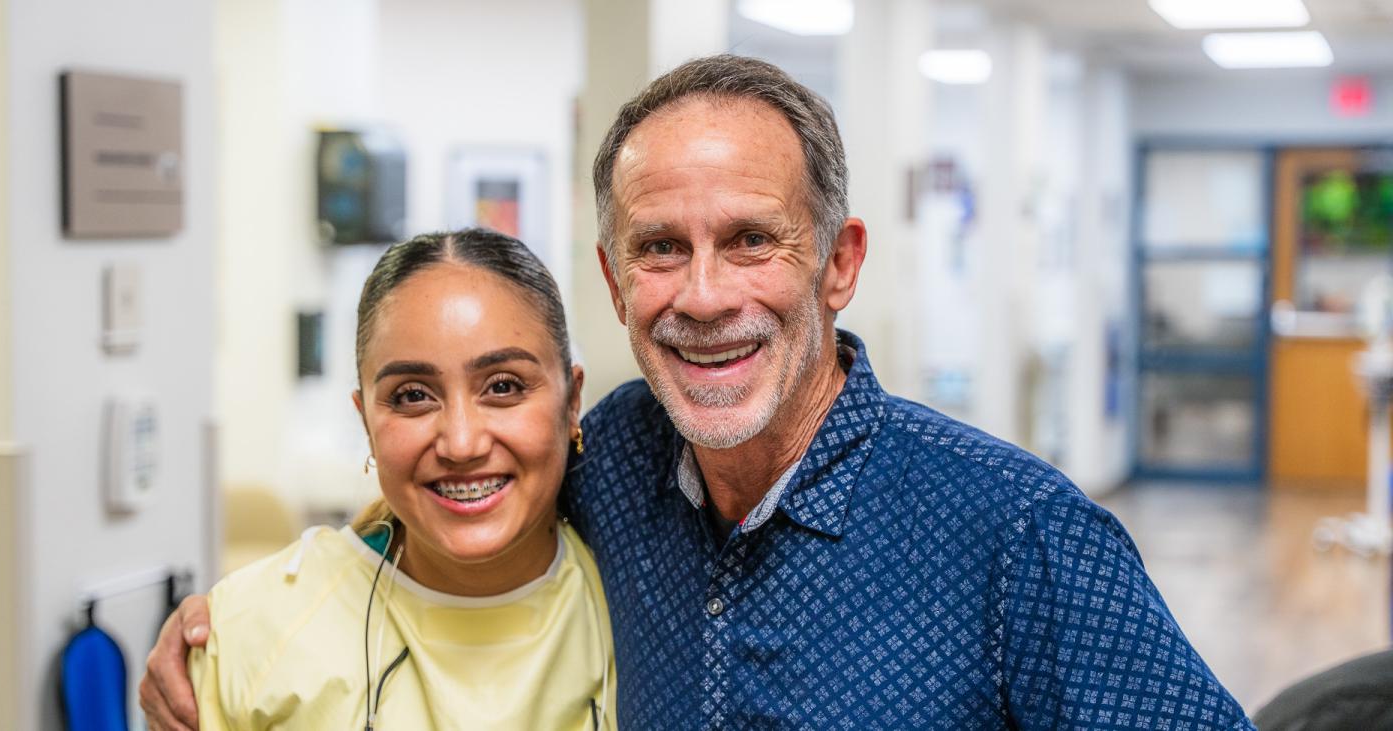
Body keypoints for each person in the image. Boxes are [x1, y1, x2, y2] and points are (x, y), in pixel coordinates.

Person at [146, 55, 1253, 729]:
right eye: (662, 246)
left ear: (840, 261)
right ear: (614, 278)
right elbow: (466, 475)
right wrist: (237, 626)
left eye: (752, 241)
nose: (706, 294)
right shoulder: (615, 455)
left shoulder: (1017, 534)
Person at [177, 229, 614, 730]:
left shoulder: (650, 616)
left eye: (502, 387)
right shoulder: (249, 631)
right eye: (412, 396)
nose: (461, 443)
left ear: (571, 401)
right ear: (365, 420)